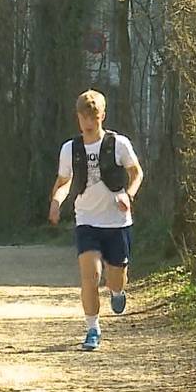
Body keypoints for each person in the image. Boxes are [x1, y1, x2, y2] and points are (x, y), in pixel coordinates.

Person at [48, 89, 144, 351]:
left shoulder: (118, 144)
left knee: (115, 278)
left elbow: (136, 173)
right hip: (87, 221)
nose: (89, 123)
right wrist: (56, 202)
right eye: (84, 118)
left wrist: (129, 195)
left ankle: (117, 291)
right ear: (78, 118)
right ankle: (93, 329)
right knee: (90, 276)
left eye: (94, 117)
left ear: (102, 116)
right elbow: (64, 181)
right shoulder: (70, 149)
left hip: (117, 222)